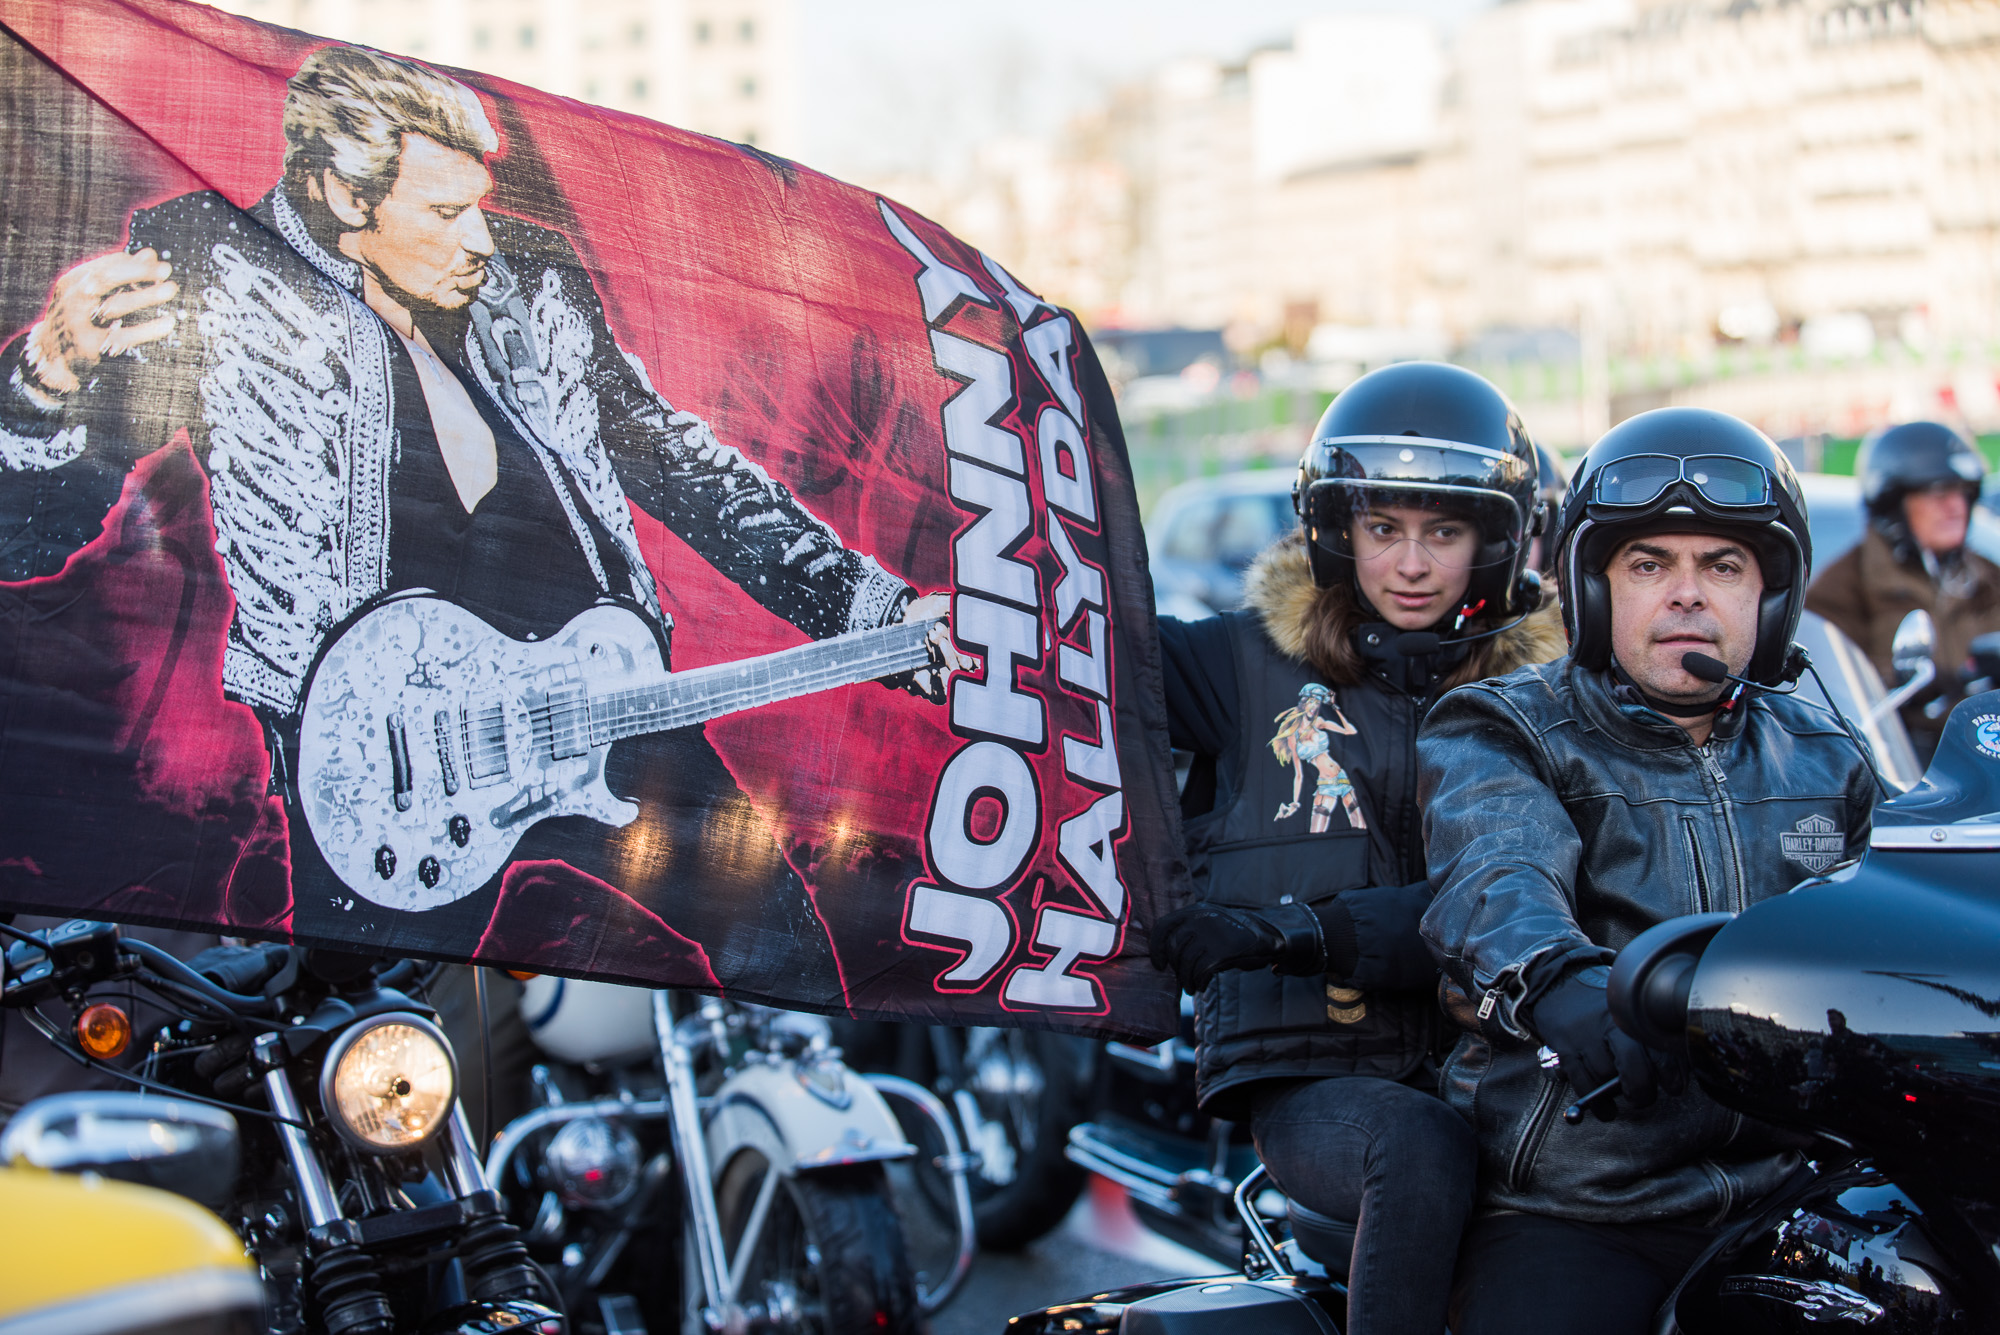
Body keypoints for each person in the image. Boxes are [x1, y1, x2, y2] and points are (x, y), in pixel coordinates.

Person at [0, 45, 961, 1006]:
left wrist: (865, 604)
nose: (479, 240)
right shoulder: (206, 260)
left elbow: (678, 465)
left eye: (480, 206)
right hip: (383, 755)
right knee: (357, 1028)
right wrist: (48, 377)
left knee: (785, 941)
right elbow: (24, 536)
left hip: (597, 690)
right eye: (444, 212)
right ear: (343, 193)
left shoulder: (530, 281)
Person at [1418, 407, 1878, 1335]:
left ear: (1771, 595)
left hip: (1798, 1185)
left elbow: (1911, 914)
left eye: (1723, 564)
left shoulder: (1827, 755)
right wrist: (1558, 977)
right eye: (1648, 564)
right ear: (1594, 589)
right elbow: (1495, 870)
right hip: (1586, 1203)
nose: (1687, 594)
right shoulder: (1508, 727)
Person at [1148, 362, 1566, 1335]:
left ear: (1495, 543)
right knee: (1416, 1144)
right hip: (1317, 1072)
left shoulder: (1549, 705)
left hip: (1507, 1065)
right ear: (1338, 533)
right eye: (1384, 530)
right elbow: (1078, 664)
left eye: (1442, 532)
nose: (1410, 565)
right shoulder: (1241, 665)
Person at [1806, 420, 2000, 761]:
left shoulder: (1989, 576)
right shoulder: (1843, 588)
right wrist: (1899, 684)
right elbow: (1818, 698)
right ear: (1892, 501)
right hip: (1896, 773)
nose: (1955, 505)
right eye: (1938, 493)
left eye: (1962, 491)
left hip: (1986, 763)